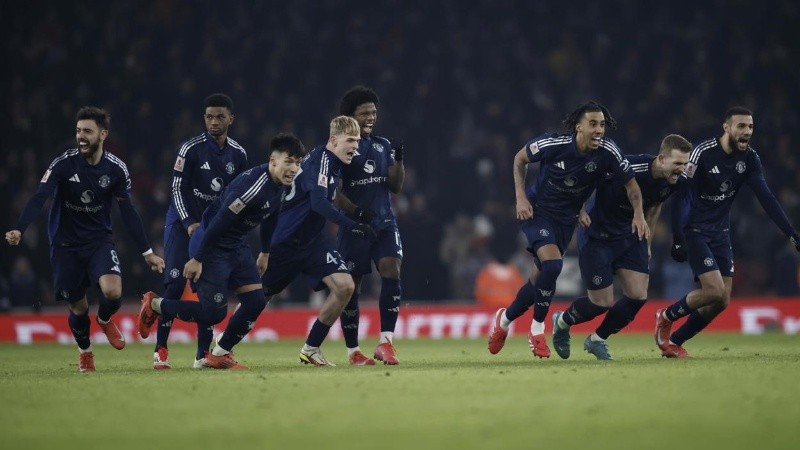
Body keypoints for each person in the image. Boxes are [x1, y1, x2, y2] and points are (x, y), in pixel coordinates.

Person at [5, 106, 165, 372]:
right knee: (78, 307)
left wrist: (147, 251)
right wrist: (20, 228)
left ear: (103, 134)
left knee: (113, 292)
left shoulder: (115, 169)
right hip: (65, 244)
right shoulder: (63, 164)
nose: (81, 136)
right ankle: (85, 352)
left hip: (98, 241)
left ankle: (104, 319)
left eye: (87, 131)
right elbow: (39, 197)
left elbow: (128, 212)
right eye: (78, 130)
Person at [487, 101, 649, 358]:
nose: (599, 130)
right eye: (593, 124)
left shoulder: (608, 151)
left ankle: (504, 320)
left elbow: (631, 185)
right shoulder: (555, 143)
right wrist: (520, 197)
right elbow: (520, 158)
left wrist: (638, 215)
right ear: (578, 127)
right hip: (538, 212)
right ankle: (537, 330)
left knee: (538, 279)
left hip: (567, 220)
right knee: (552, 266)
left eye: (603, 125)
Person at [137, 133, 306, 370]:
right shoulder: (251, 187)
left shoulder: (280, 185)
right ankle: (155, 304)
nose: (294, 168)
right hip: (212, 244)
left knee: (256, 301)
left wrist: (265, 252)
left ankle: (218, 353)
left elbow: (271, 217)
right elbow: (218, 222)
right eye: (289, 161)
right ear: (273, 160)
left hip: (236, 244)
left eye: (298, 162)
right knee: (213, 313)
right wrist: (197, 258)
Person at [656, 107, 800, 358]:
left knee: (722, 300)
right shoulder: (702, 153)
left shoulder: (750, 159)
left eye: (750, 127)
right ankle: (666, 316)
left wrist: (791, 233)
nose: (747, 132)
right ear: (727, 128)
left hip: (721, 233)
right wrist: (678, 237)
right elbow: (681, 196)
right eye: (741, 126)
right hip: (696, 230)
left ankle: (676, 341)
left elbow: (766, 197)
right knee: (713, 290)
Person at [550, 134, 693, 360]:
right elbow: (588, 177)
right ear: (662, 158)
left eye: (685, 164)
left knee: (637, 296)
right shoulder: (627, 166)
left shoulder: (673, 181)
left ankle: (597, 339)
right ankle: (561, 321)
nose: (682, 169)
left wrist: (647, 243)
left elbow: (655, 206)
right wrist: (580, 209)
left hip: (630, 236)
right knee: (601, 303)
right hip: (598, 235)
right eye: (678, 163)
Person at [263, 115, 375, 367]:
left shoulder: (333, 163)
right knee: (259, 298)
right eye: (351, 140)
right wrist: (353, 224)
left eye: (357, 141)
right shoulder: (322, 161)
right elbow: (319, 204)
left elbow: (330, 196)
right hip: (287, 240)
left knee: (345, 286)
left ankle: (311, 348)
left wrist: (356, 212)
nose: (355, 146)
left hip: (313, 241)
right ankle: (221, 345)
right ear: (334, 140)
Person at [154, 93, 248, 369]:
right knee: (174, 283)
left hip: (211, 228)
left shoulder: (239, 154)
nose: (214, 122)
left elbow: (237, 196)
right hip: (182, 223)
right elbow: (176, 190)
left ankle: (201, 355)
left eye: (220, 117)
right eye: (209, 117)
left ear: (231, 118)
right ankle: (161, 349)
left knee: (209, 289)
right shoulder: (191, 149)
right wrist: (188, 223)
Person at [333, 86, 405, 366]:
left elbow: (396, 186)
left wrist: (399, 159)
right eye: (364, 113)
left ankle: (386, 342)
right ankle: (353, 351)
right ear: (350, 116)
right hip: (354, 226)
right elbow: (333, 190)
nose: (370, 117)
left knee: (392, 267)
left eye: (373, 112)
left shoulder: (382, 145)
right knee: (352, 286)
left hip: (384, 222)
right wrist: (354, 212)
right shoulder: (342, 146)